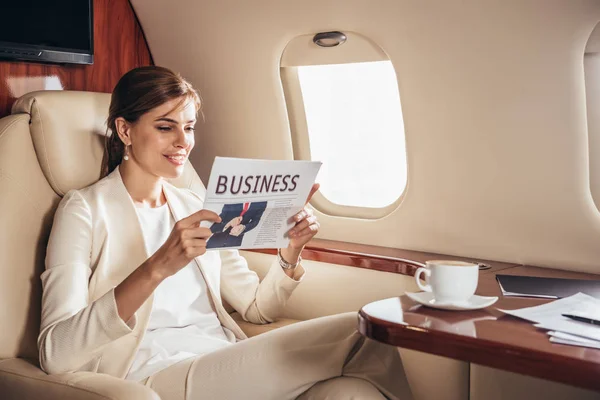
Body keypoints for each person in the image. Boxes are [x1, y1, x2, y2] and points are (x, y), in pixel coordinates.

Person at [38, 66, 413, 400]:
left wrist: (290, 251)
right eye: (165, 127)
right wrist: (157, 267)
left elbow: (254, 307)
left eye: (188, 128)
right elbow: (56, 352)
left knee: (353, 391)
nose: (183, 142)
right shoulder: (84, 210)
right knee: (366, 330)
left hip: (221, 356)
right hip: (154, 373)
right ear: (125, 130)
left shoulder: (194, 203)